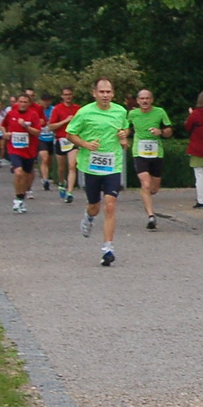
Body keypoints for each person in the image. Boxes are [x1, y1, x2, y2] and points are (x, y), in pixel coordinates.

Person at [63, 78, 131, 267]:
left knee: (110, 205)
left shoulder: (120, 111)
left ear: (113, 93)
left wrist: (124, 136)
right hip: (91, 165)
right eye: (101, 92)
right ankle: (89, 216)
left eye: (108, 92)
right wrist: (85, 144)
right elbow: (70, 134)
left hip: (113, 165)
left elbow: (124, 128)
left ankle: (107, 248)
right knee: (95, 205)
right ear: (94, 93)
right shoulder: (84, 112)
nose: (105, 95)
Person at [127, 88, 174, 229]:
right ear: (138, 101)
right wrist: (123, 135)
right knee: (145, 184)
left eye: (147, 98)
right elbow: (126, 128)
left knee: (153, 188)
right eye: (142, 99)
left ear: (151, 100)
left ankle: (148, 198)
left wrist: (160, 132)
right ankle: (151, 216)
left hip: (156, 153)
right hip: (139, 152)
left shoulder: (160, 112)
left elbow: (169, 131)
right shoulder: (132, 114)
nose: (145, 101)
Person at [2, 90, 46, 212]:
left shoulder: (33, 115)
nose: (22, 104)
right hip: (14, 148)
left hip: (29, 150)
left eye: (25, 102)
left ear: (29, 103)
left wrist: (26, 126)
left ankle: (21, 198)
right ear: (17, 102)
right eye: (20, 102)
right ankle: (17, 199)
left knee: (27, 176)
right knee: (18, 172)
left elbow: (37, 132)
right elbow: (3, 125)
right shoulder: (11, 114)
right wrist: (5, 133)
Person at [47, 86, 81, 201]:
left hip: (73, 140)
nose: (68, 97)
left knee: (72, 165)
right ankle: (62, 183)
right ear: (62, 96)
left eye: (69, 94)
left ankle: (70, 192)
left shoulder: (78, 108)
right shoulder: (57, 109)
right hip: (61, 140)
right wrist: (65, 120)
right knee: (61, 168)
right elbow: (51, 126)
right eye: (65, 95)